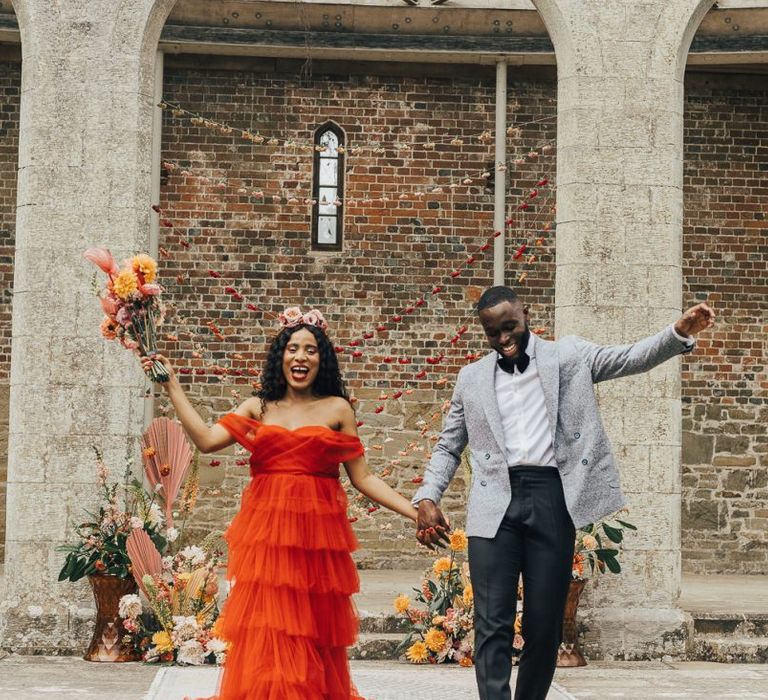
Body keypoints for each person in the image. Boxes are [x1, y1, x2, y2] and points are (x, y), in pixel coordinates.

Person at [412, 286, 715, 700]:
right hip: (493, 505)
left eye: (510, 327)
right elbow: (449, 445)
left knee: (544, 624)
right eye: (493, 333)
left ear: (526, 314)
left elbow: (628, 358)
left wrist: (677, 332)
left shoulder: (568, 356)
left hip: (551, 498)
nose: (504, 339)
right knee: (492, 623)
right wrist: (427, 496)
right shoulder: (471, 378)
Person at [142, 306, 417, 700]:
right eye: (292, 348)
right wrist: (171, 386)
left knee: (311, 633)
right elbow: (205, 439)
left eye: (310, 349)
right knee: (268, 632)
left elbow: (364, 478)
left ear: (322, 359)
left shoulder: (338, 409)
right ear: (280, 356)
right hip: (268, 542)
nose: (300, 357)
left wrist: (415, 510)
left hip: (317, 545)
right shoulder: (259, 407)